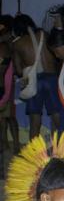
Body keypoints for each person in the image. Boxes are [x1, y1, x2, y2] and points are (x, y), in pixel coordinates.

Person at [12, 14, 64, 139]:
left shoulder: (18, 44)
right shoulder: (44, 35)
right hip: (51, 79)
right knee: (57, 117)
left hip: (34, 81)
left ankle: (33, 155)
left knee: (35, 121)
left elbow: (18, 71)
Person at [0, 14, 19, 155]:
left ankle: (12, 144)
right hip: (8, 81)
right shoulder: (10, 41)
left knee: (9, 116)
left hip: (6, 82)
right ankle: (8, 144)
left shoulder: (10, 42)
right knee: (7, 117)